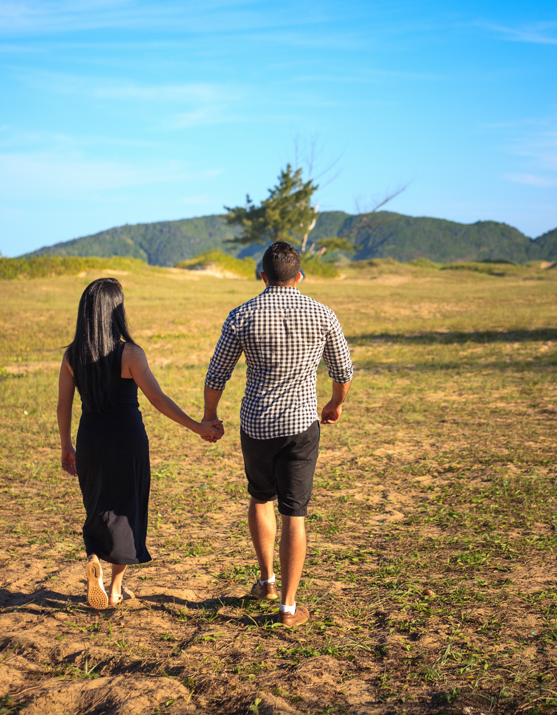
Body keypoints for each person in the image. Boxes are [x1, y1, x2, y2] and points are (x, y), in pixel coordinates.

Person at [203, 241, 353, 627]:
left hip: (256, 425)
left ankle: (267, 581)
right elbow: (343, 371)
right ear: (299, 276)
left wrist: (209, 415)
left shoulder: (242, 315)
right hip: (302, 425)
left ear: (263, 276)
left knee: (260, 497)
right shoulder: (323, 314)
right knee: (295, 514)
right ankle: (288, 607)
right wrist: (334, 405)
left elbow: (217, 374)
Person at [57, 277, 223, 610]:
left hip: (89, 438)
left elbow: (63, 405)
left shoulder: (73, 355)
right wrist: (197, 427)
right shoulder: (130, 354)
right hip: (127, 441)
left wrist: (66, 446)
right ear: (115, 313)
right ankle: (116, 587)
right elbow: (158, 399)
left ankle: (93, 556)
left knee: (96, 505)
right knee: (126, 508)